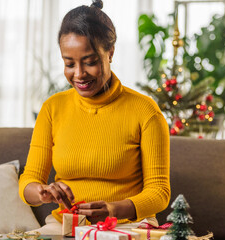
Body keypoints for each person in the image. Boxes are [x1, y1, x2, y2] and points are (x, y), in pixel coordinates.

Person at [19, 0, 170, 234]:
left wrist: (114, 209)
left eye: (90, 62)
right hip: (65, 226)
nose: (79, 74)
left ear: (110, 53)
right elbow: (28, 180)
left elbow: (159, 192)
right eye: (69, 64)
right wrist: (41, 192)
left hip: (127, 227)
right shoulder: (52, 108)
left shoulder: (145, 111)